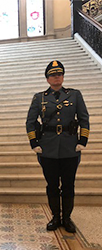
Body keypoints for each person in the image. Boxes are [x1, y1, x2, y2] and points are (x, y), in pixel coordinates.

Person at [26, 60, 90, 233]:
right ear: (47, 79)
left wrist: (82, 141)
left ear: (63, 76)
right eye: (53, 75)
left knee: (68, 184)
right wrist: (34, 143)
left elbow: (84, 118)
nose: (56, 77)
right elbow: (30, 122)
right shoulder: (39, 98)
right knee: (52, 185)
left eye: (59, 74)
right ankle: (55, 217)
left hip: (70, 148)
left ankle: (67, 218)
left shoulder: (75, 95)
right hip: (47, 149)